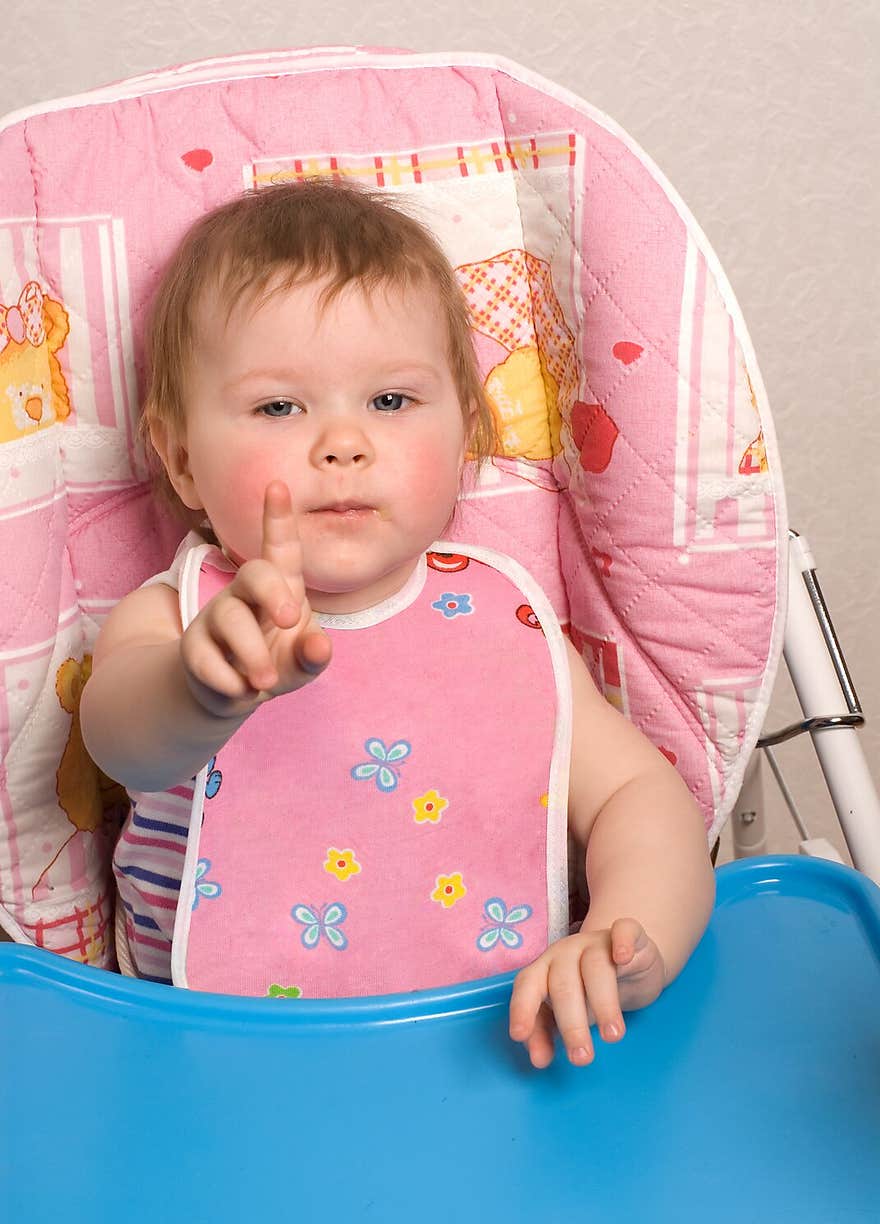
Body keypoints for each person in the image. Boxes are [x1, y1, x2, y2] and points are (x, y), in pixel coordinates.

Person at [80, 178, 715, 1069]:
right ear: (181, 458)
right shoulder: (174, 618)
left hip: (493, 1040)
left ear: (468, 436)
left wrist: (622, 937)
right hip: (208, 1054)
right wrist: (198, 689)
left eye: (390, 402)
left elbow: (639, 798)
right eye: (278, 406)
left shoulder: (510, 621)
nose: (343, 443)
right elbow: (123, 744)